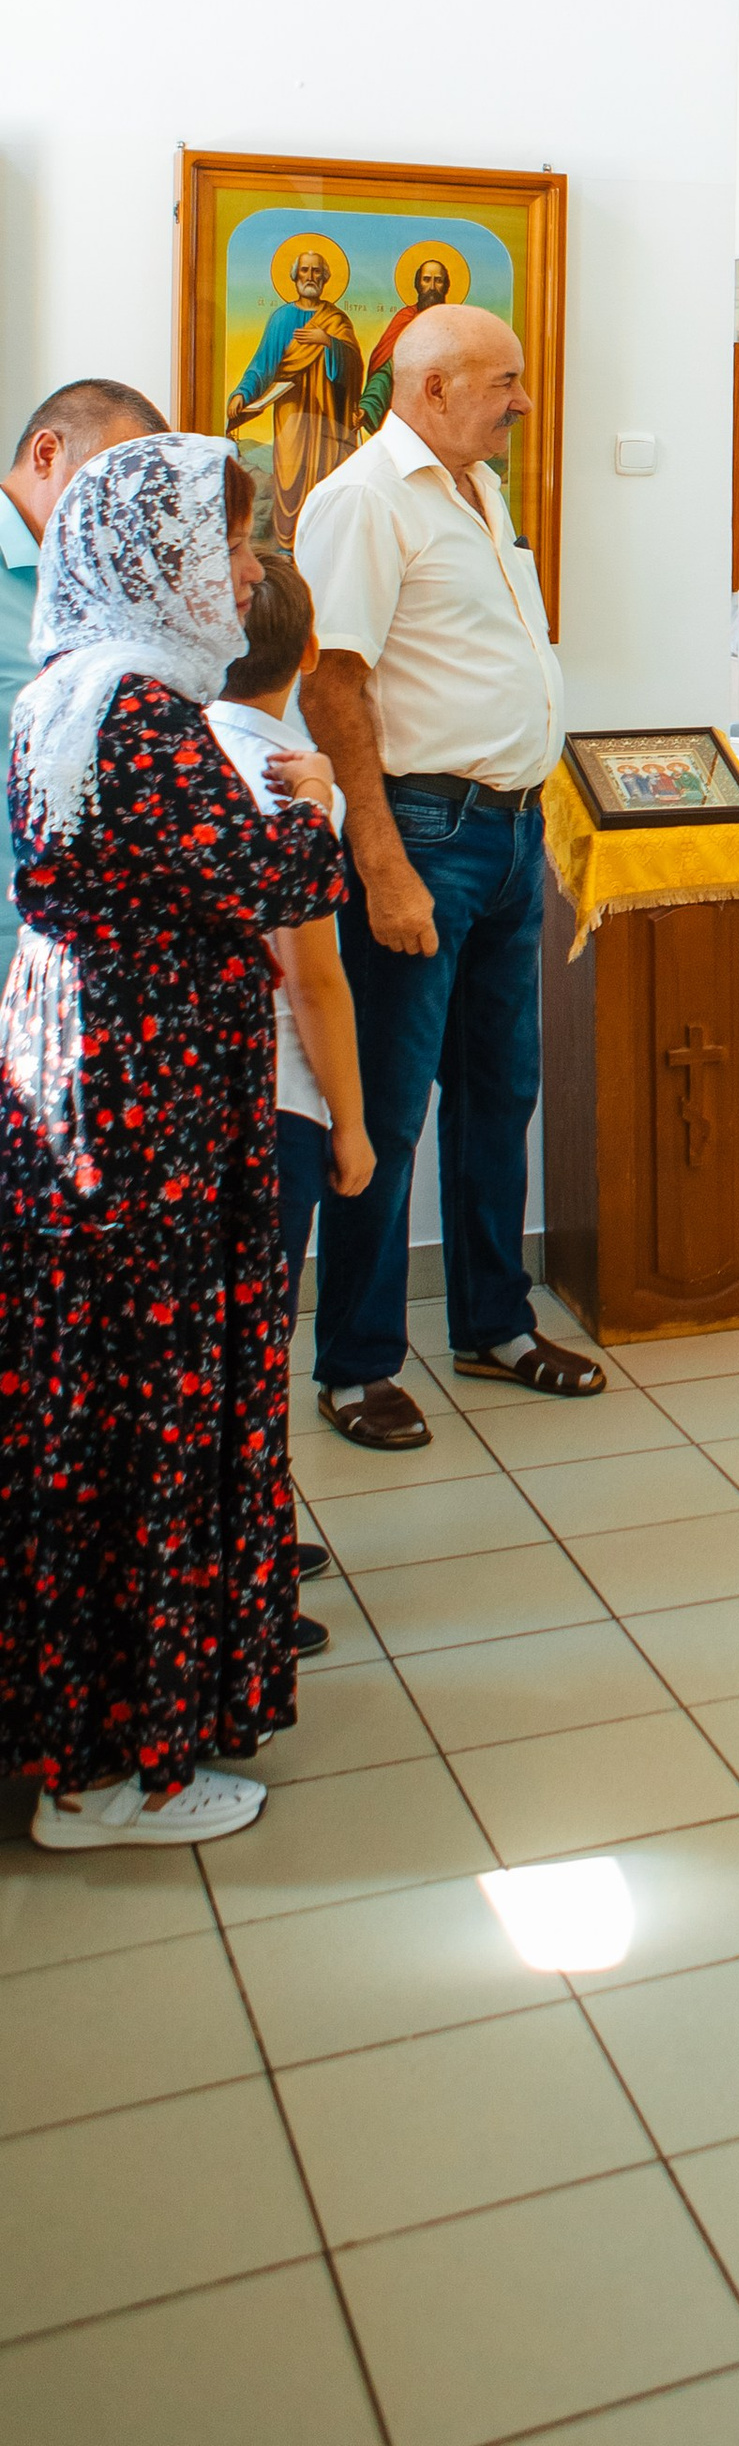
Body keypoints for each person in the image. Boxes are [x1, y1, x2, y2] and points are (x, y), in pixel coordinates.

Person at [1, 436, 344, 1845]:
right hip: (146, 1105)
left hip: (94, 1075)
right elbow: (273, 875)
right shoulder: (140, 716)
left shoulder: (66, 691)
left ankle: (95, 1727)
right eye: (232, 544)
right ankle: (112, 1767)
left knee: (95, 1392)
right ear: (157, 560)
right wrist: (318, 805)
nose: (249, 574)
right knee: (145, 1397)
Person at [296, 303, 600, 1448]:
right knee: (383, 1105)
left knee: (498, 1090)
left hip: (510, 833)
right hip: (419, 835)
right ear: (430, 389)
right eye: (503, 382)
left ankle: (492, 1325)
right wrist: (378, 859)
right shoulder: (366, 500)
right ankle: (357, 1363)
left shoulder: (478, 488)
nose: (523, 400)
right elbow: (331, 683)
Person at [206, 552, 378, 1645]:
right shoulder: (287, 781)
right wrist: (352, 1125)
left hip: (202, 1094)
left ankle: (252, 1534)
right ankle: (244, 1577)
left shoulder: (186, 745)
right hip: (274, 1096)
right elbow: (315, 981)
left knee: (232, 1339)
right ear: (311, 653)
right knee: (252, 1342)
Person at [1, 379, 168, 967]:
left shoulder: (111, 584)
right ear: (48, 453)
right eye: (110, 481)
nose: (122, 510)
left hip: (68, 949)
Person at [226, 243, 366, 540]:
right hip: (291, 410)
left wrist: (328, 342)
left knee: (325, 475)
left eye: (316, 271)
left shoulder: (337, 320)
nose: (310, 276)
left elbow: (354, 366)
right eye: (305, 270)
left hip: (328, 414)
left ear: (325, 278)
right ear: (295, 276)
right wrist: (242, 393)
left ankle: (324, 539)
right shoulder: (281, 319)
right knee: (291, 478)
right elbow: (262, 365)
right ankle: (287, 543)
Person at [359, 252, 453, 430]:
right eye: (427, 280)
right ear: (418, 285)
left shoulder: (455, 323)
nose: (432, 287)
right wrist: (367, 406)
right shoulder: (405, 320)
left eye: (438, 280)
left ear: (446, 286)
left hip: (445, 411)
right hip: (408, 411)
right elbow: (385, 373)